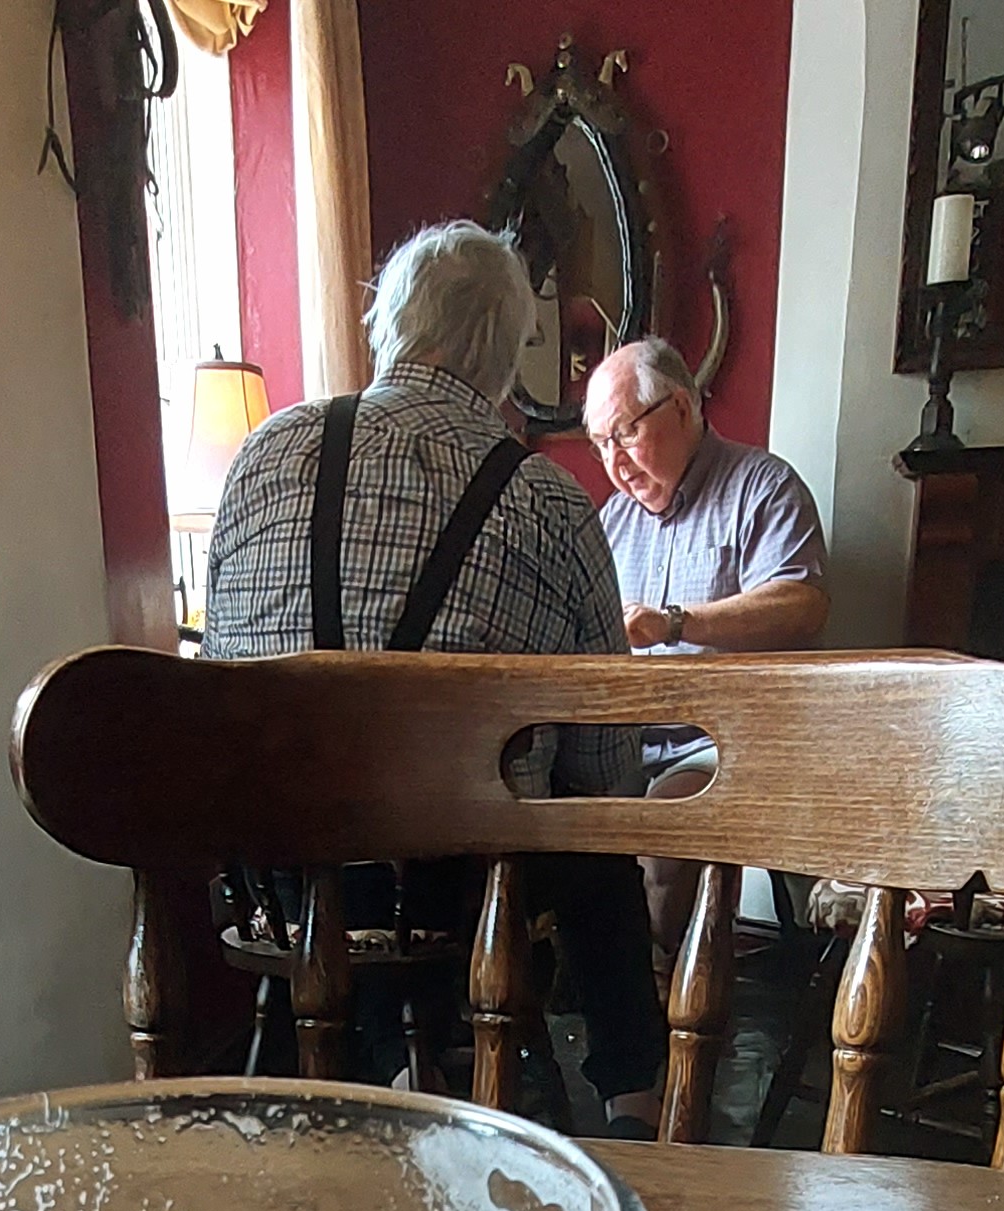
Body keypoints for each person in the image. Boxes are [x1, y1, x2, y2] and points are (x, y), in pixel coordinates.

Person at [202, 222, 668, 1137]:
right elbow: (609, 764)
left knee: (356, 836)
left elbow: (220, 682)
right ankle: (635, 1110)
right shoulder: (546, 499)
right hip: (461, 890)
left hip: (283, 885)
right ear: (507, 353)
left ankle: (386, 1063)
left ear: (388, 324)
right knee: (599, 833)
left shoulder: (261, 454)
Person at [584, 337, 829, 959]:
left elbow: (801, 605)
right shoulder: (613, 521)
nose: (615, 462)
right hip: (627, 740)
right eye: (601, 444)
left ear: (681, 406)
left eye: (625, 433)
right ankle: (590, 991)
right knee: (551, 817)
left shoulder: (763, 487)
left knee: (663, 840)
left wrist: (675, 623)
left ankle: (660, 997)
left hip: (724, 742)